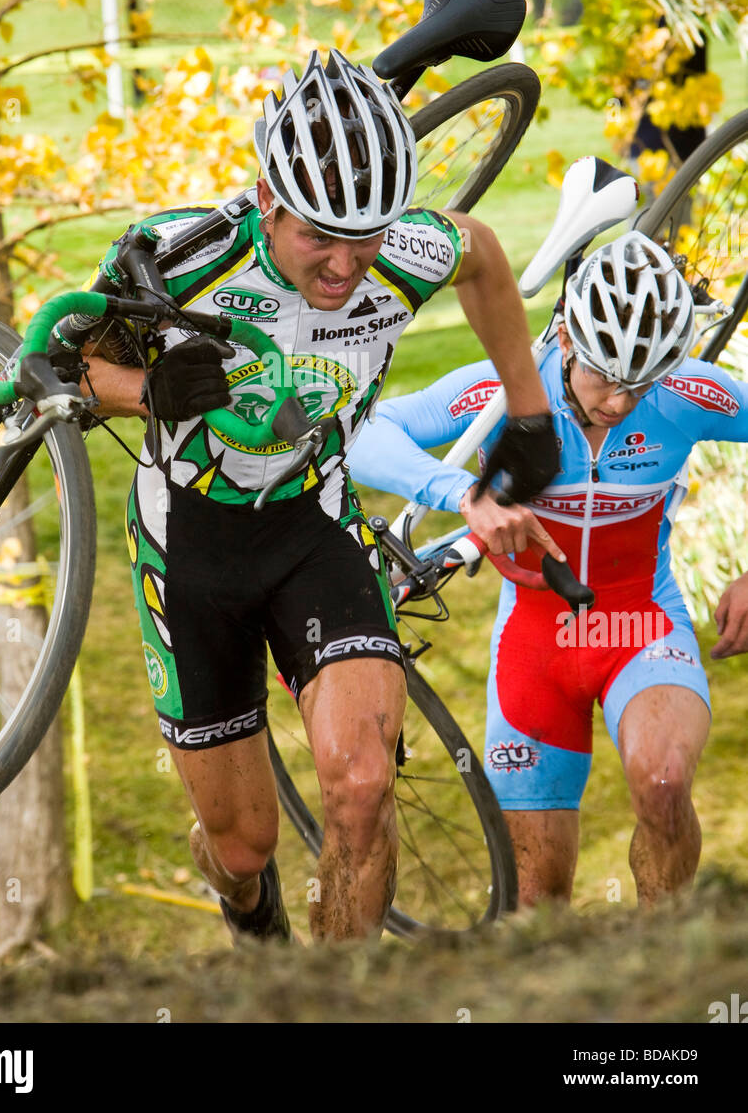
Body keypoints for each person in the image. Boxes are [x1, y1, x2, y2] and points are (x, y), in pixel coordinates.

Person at [78, 48, 560, 942]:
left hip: (317, 524)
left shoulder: (401, 253)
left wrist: (530, 414)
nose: (345, 267)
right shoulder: (185, 261)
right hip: (190, 547)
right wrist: (143, 392)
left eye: (365, 236)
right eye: (319, 238)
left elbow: (483, 256)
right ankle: (245, 904)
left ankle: (340, 1005)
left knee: (363, 785)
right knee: (244, 844)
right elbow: (63, 367)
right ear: (269, 201)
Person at [349, 230, 748, 908]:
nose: (620, 402)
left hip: (639, 626)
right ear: (566, 339)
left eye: (640, 382)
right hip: (535, 645)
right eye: (605, 375)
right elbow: (367, 435)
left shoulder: (687, 394)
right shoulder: (501, 392)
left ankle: (672, 972)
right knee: (536, 900)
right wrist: (464, 497)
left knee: (664, 782)